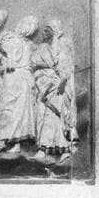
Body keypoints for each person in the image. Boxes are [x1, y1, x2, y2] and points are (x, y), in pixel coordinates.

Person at [0, 16, 39, 153]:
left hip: (14, 76)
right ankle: (13, 142)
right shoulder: (29, 45)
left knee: (9, 108)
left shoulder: (11, 40)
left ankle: (5, 140)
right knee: (19, 111)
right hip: (25, 77)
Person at [31, 20, 77, 163]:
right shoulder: (42, 47)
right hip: (44, 85)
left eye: (48, 30)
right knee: (44, 115)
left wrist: (62, 82)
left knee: (56, 116)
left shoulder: (63, 45)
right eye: (44, 30)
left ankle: (63, 149)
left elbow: (67, 66)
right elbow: (33, 63)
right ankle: (45, 148)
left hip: (59, 85)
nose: (44, 33)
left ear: (55, 30)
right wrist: (42, 67)